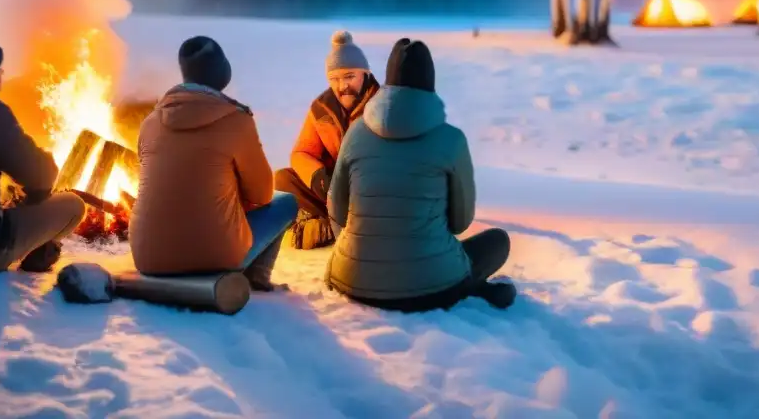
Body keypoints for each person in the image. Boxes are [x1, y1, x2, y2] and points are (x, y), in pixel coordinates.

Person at [325, 38, 515, 311]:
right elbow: (460, 223)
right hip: (428, 288)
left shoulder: (355, 132)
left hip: (350, 279)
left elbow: (337, 210)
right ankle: (473, 288)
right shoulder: (452, 140)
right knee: (497, 242)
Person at [130, 36, 297, 291]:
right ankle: (256, 279)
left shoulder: (150, 122)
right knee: (285, 203)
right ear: (222, 72)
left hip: (148, 257)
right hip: (215, 257)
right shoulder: (237, 121)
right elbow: (262, 195)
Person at [274, 30, 379, 250]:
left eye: (349, 77)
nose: (342, 86)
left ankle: (339, 226)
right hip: (333, 191)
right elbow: (302, 152)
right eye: (334, 79)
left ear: (365, 73)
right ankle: (326, 223)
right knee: (283, 179)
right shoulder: (320, 109)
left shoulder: (384, 106)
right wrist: (317, 177)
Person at [0, 43, 86, 273]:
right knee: (73, 205)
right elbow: (40, 175)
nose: (2, 73)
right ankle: (37, 255)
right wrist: (36, 194)